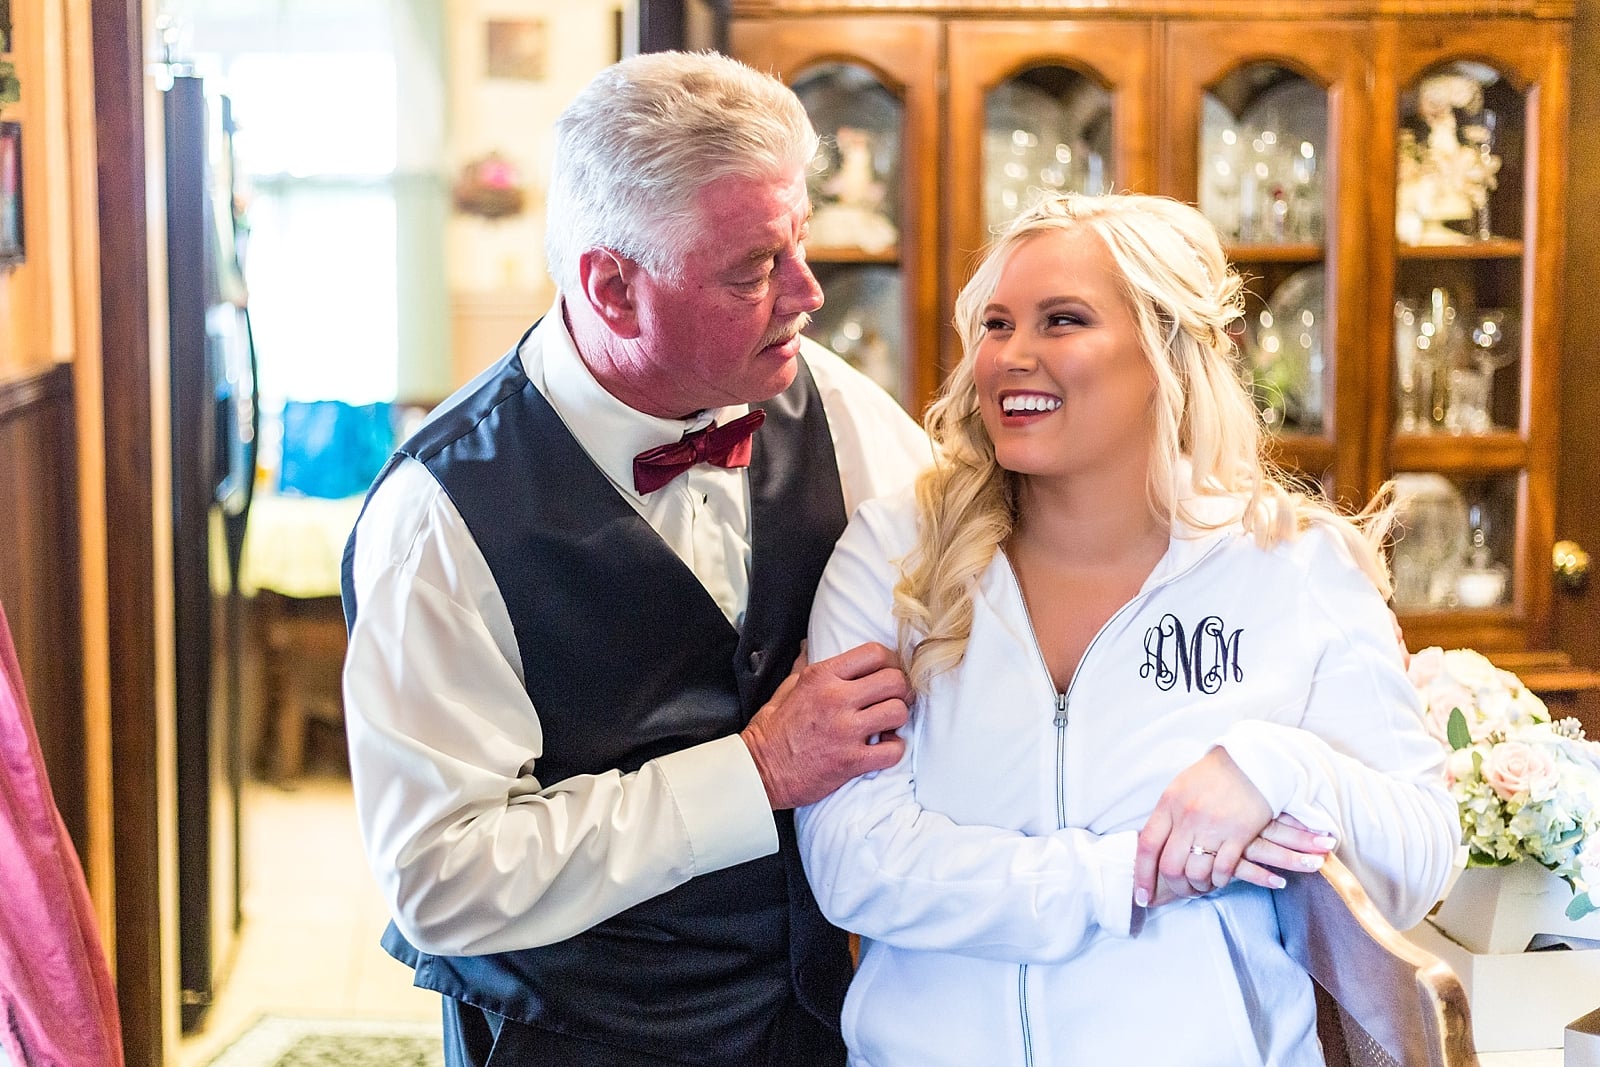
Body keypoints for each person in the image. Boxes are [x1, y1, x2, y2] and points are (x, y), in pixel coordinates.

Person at [340, 51, 930, 1067]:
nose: (808, 294)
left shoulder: (836, 406)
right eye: (754, 270)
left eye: (799, 246)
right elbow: (440, 876)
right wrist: (752, 771)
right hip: (570, 1036)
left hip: (826, 1016)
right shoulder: (437, 517)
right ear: (612, 286)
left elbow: (967, 601)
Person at [796, 191, 1458, 1066]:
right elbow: (857, 864)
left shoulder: (1292, 566)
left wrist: (1277, 768)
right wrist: (1123, 876)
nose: (1011, 357)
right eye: (996, 325)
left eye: (1061, 320)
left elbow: (1421, 858)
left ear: (1172, 351)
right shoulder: (896, 556)